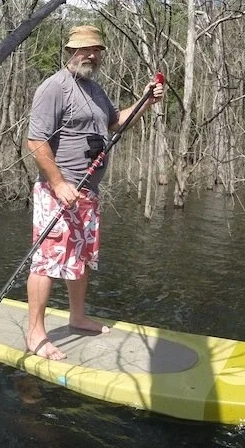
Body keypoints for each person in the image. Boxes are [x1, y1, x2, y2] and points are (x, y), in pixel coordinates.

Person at [24, 24, 164, 360]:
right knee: (46, 262)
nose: (90, 55)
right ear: (70, 51)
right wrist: (58, 183)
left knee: (82, 259)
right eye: (83, 49)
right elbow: (35, 140)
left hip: (88, 193)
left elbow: (115, 122)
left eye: (95, 50)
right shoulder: (54, 88)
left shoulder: (95, 90)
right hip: (56, 192)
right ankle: (35, 333)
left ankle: (77, 316)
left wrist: (145, 100)